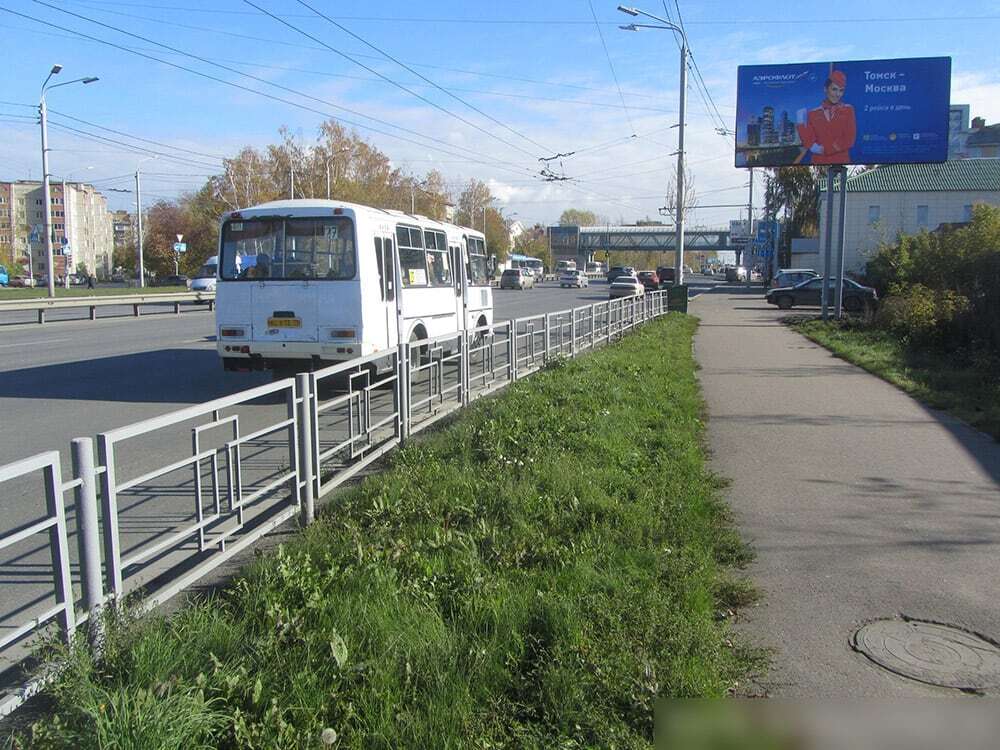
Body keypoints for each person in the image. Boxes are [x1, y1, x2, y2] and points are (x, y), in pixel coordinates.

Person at [795, 70, 856, 165]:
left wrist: (824, 149)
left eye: (841, 90)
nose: (838, 94)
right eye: (834, 89)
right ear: (825, 89)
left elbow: (849, 139)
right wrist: (800, 122)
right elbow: (808, 141)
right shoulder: (813, 114)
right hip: (818, 162)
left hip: (841, 161)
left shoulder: (848, 110)